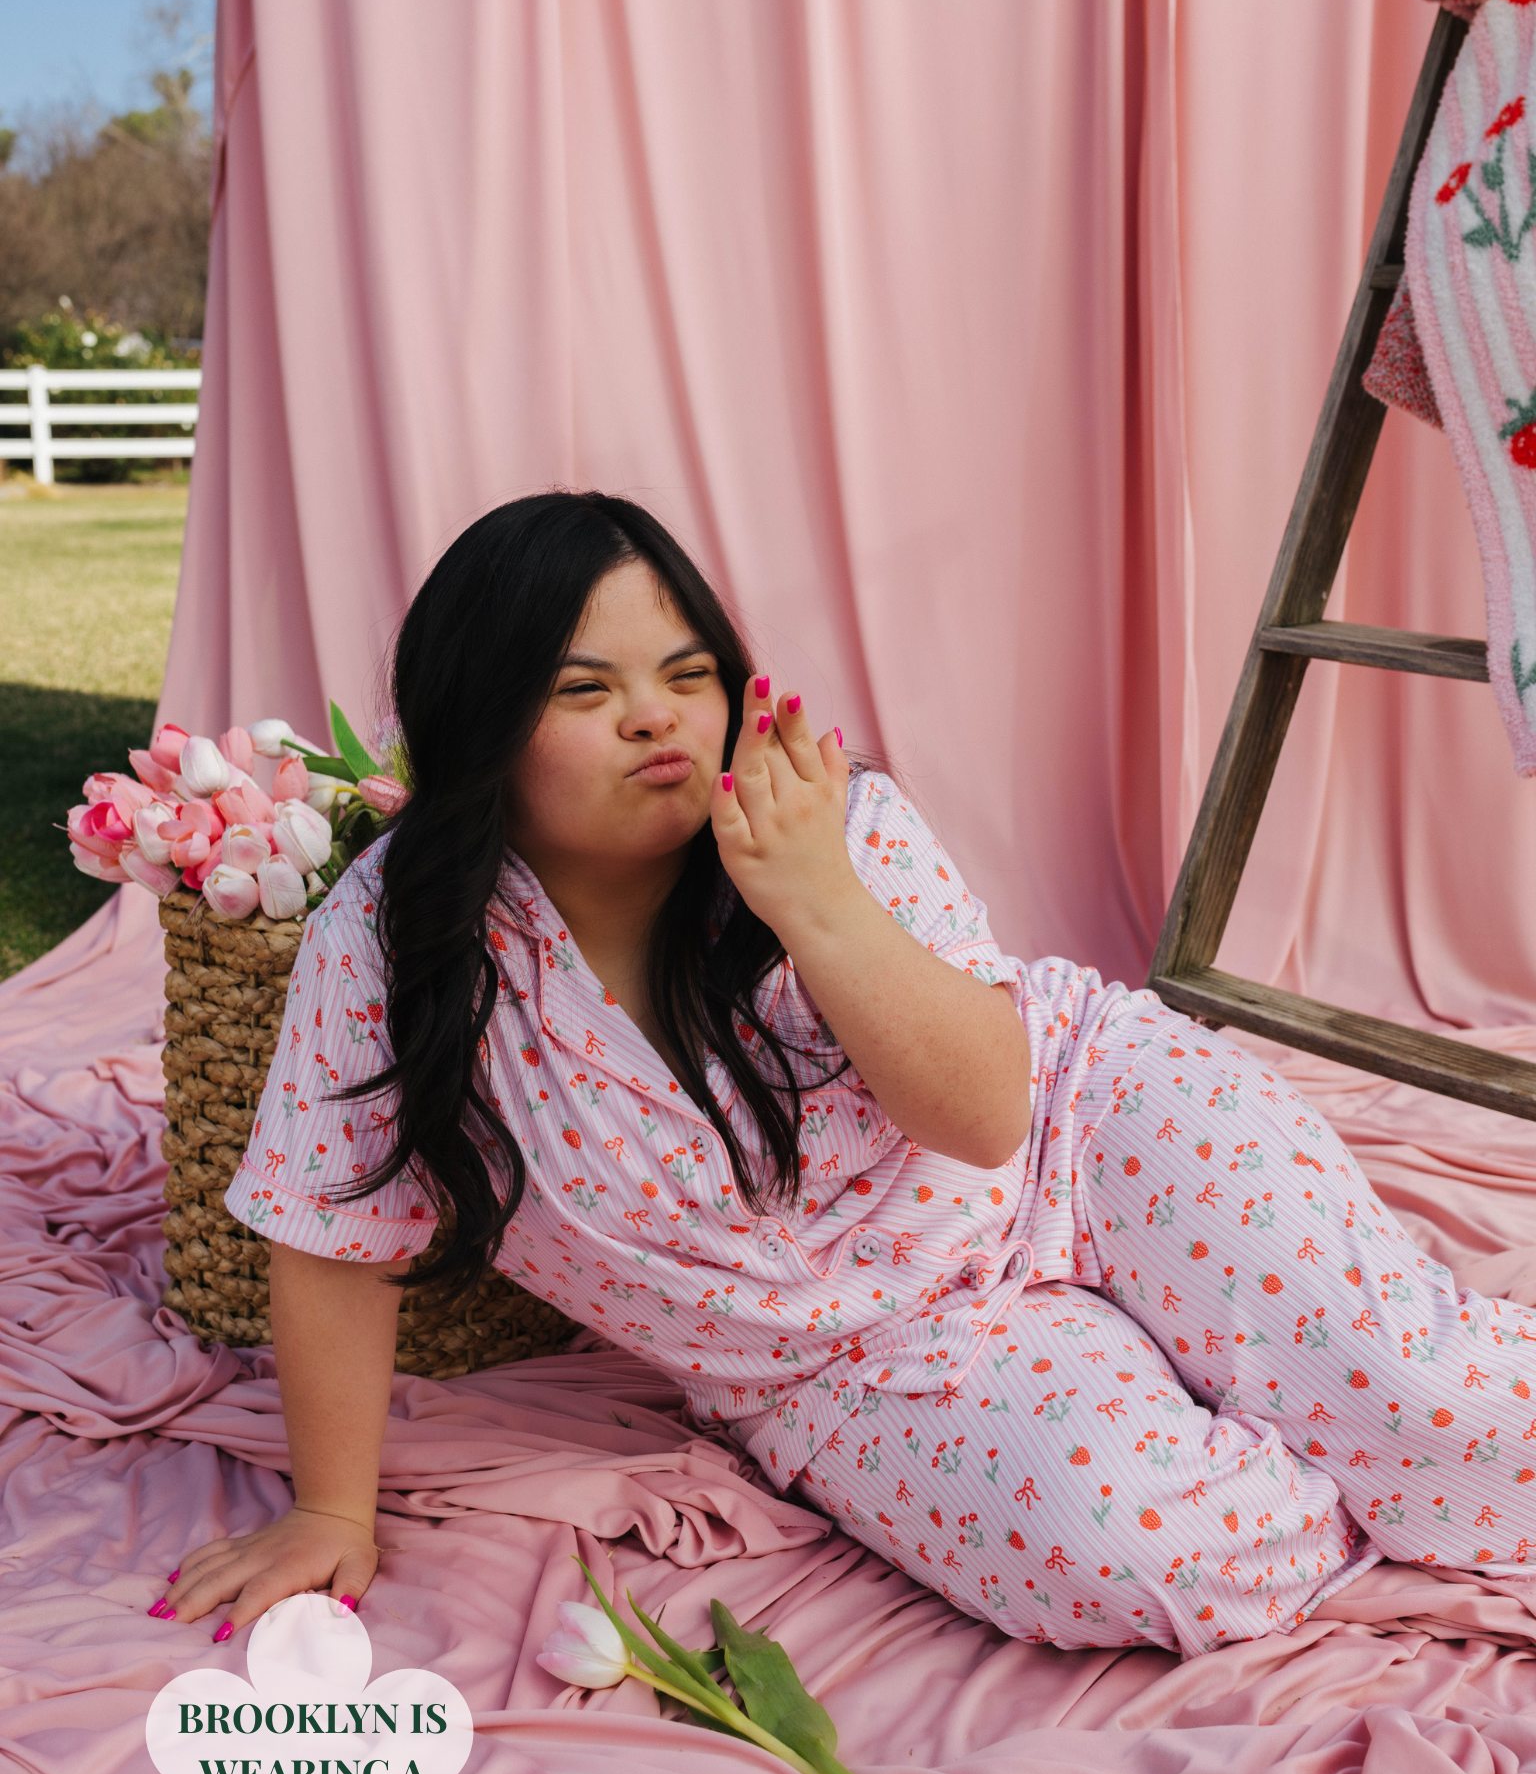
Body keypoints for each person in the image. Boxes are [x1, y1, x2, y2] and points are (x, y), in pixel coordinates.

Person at [152, 492, 1536, 1656]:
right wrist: (331, 1511)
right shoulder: (393, 941)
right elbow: (332, 1228)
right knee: (1161, 1558)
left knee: (1438, 1408)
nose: (655, 718)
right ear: (480, 722)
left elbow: (986, 1115)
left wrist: (814, 900)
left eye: (688, 673)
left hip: (1083, 1121)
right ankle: (1269, 1422)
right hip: (851, 1357)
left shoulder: (833, 824)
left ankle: (1343, 1406)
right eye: (584, 690)